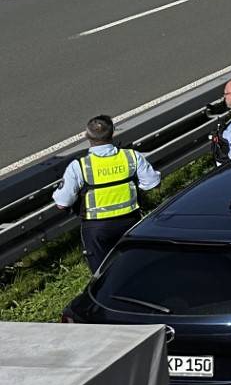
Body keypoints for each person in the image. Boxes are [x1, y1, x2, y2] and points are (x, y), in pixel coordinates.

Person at [54, 116, 161, 272]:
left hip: (96, 229)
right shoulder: (131, 156)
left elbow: (62, 203)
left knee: (102, 274)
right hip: (130, 221)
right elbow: (152, 183)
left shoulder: (79, 166)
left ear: (86, 135)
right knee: (135, 268)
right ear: (112, 134)